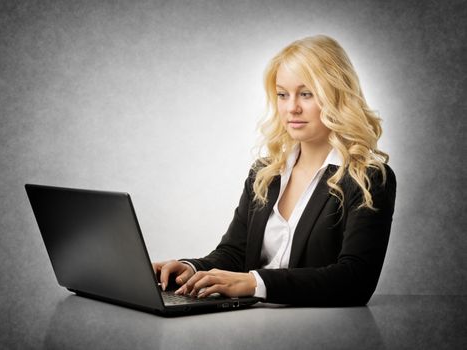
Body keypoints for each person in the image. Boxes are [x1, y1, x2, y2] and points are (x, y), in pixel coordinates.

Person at [153, 35, 396, 306]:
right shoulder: (265, 173)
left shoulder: (368, 178)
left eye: (306, 94)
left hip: (322, 330)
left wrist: (256, 283)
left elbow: (356, 280)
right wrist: (191, 269)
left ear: (337, 95)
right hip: (252, 324)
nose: (291, 107)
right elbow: (235, 253)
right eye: (282, 94)